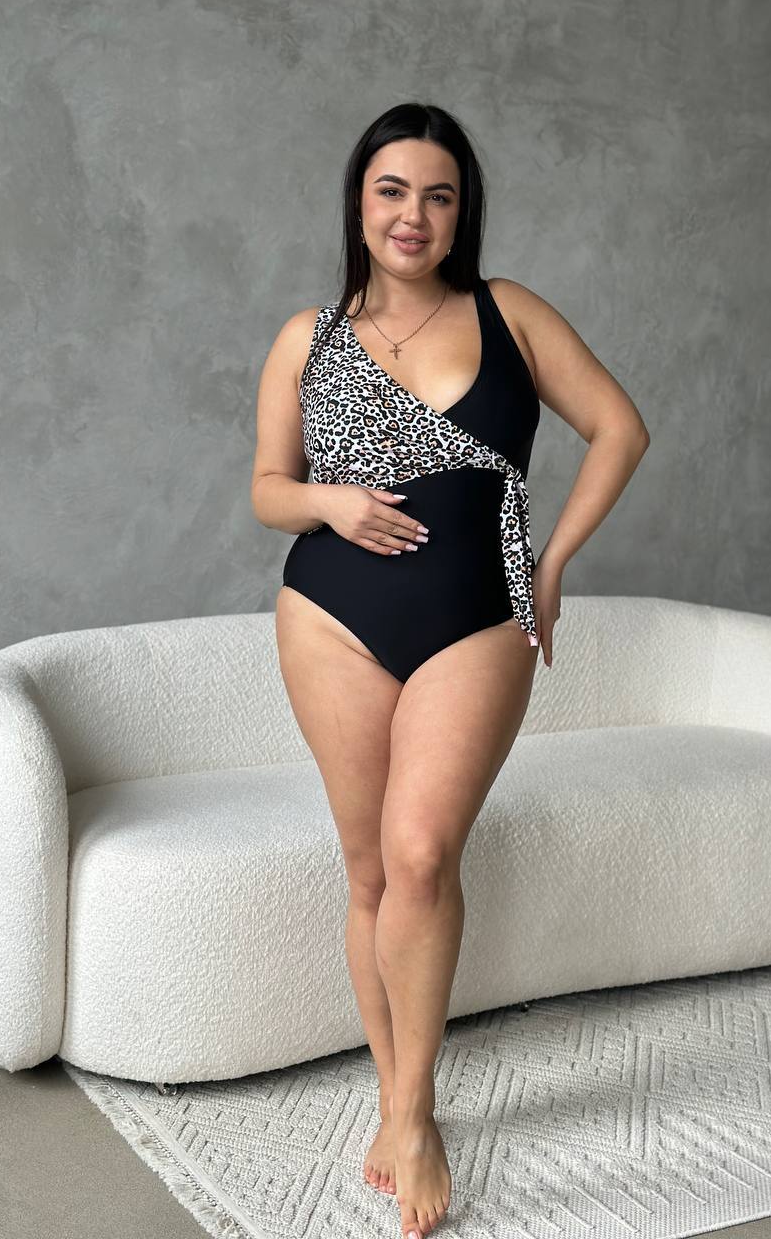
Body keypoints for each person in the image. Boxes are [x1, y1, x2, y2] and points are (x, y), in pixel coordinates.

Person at [251, 102, 650, 1239]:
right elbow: (267, 488)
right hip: (330, 616)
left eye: (438, 195)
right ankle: (400, 1101)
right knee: (369, 866)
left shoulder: (508, 312)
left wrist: (550, 562)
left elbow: (620, 428)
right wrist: (329, 501)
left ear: (461, 211)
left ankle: (415, 1111)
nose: (413, 215)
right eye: (392, 191)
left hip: (479, 617)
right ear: (359, 203)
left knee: (424, 852)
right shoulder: (307, 337)